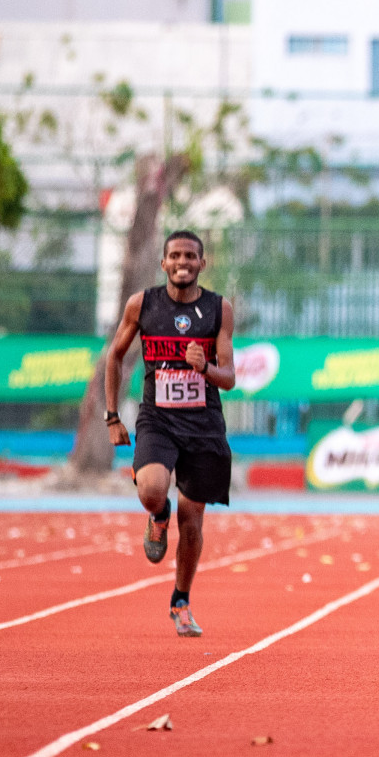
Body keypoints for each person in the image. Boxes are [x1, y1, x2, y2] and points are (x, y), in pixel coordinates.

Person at [105, 230, 236, 636]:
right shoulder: (142, 304)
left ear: (202, 263)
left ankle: (181, 600)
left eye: (191, 256)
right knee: (151, 490)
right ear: (163, 263)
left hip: (203, 425)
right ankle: (157, 516)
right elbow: (115, 356)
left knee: (193, 522)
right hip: (157, 420)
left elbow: (229, 377)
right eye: (175, 255)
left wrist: (205, 368)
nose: (183, 262)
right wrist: (112, 416)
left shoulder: (219, 309)